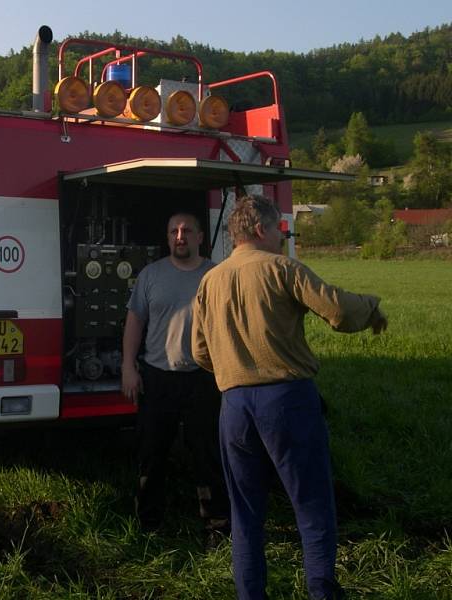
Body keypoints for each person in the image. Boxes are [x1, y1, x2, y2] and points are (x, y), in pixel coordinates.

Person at [191, 195, 387, 600]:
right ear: (261, 229)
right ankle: (321, 591)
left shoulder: (210, 280)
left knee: (245, 515)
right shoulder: (282, 268)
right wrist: (372, 307)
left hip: (233, 407)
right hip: (286, 400)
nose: (282, 238)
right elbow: (339, 312)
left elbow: (199, 351)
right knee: (312, 505)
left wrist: (234, 369)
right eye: (279, 230)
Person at [122, 212, 230, 537]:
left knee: (208, 455)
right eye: (173, 231)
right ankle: (150, 525)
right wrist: (129, 366)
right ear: (168, 238)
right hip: (158, 379)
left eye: (186, 231)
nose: (179, 236)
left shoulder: (217, 275)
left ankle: (217, 526)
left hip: (204, 377)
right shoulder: (151, 275)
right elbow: (135, 321)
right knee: (152, 454)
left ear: (200, 237)